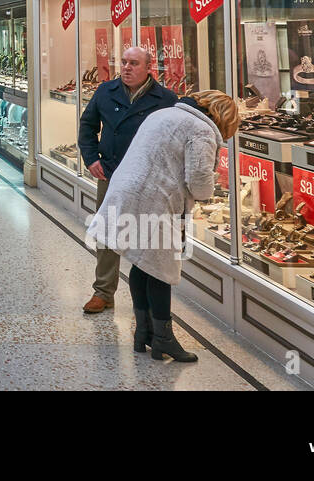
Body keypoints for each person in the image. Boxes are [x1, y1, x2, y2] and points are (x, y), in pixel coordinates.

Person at [86, 90, 239, 363]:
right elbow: (200, 183)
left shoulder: (165, 113)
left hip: (127, 193)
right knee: (160, 270)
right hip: (156, 201)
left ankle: (142, 333)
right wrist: (211, 189)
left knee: (140, 263)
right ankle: (163, 338)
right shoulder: (202, 130)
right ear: (223, 117)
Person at [76, 46, 177, 314]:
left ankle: (143, 296)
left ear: (148, 67)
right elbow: (87, 126)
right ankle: (103, 292)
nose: (127, 68)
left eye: (134, 63)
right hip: (111, 172)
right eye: (124, 62)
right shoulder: (105, 92)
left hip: (149, 178)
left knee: (145, 234)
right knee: (107, 232)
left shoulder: (166, 99)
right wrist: (91, 158)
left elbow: (173, 140)